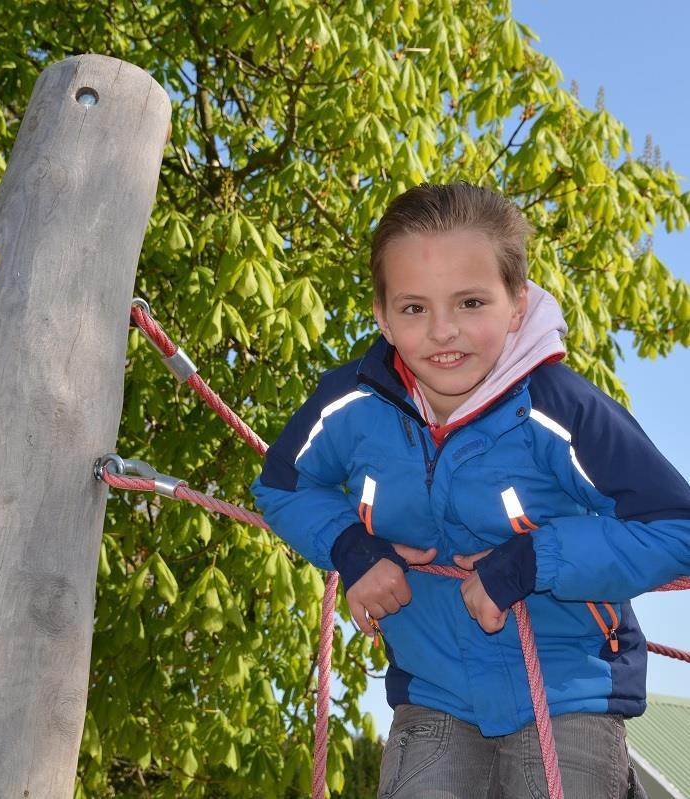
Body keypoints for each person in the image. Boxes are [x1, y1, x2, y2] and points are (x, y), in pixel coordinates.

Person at [251, 183, 690, 798]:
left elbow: (676, 527)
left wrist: (536, 559)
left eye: (471, 302)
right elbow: (283, 487)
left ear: (517, 303)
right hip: (431, 691)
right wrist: (353, 550)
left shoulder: (561, 410)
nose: (442, 332)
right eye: (413, 309)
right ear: (381, 314)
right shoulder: (349, 404)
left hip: (569, 689)